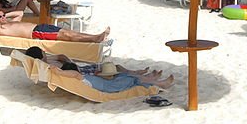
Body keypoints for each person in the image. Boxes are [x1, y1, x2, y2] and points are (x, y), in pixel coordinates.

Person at [24, 46, 160, 77]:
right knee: (114, 69)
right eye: (43, 52)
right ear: (41, 56)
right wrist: (72, 64)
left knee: (114, 66)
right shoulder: (48, 65)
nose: (45, 53)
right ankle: (137, 74)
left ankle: (136, 72)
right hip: (80, 71)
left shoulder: (47, 60)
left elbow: (62, 56)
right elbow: (63, 67)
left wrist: (67, 60)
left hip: (77, 67)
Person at [0, 10, 109, 42]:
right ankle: (94, 39)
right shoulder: (2, 29)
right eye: (0, 17)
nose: (3, 17)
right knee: (66, 35)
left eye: (3, 15)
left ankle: (95, 36)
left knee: (69, 32)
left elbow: (20, 12)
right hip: (36, 33)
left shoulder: (12, 22)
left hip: (41, 27)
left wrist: (5, 15)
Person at [59, 61, 174, 93]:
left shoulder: (82, 78)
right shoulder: (79, 77)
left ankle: (152, 79)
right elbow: (74, 73)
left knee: (126, 75)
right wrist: (59, 72)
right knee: (133, 79)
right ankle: (161, 83)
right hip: (110, 86)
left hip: (109, 82)